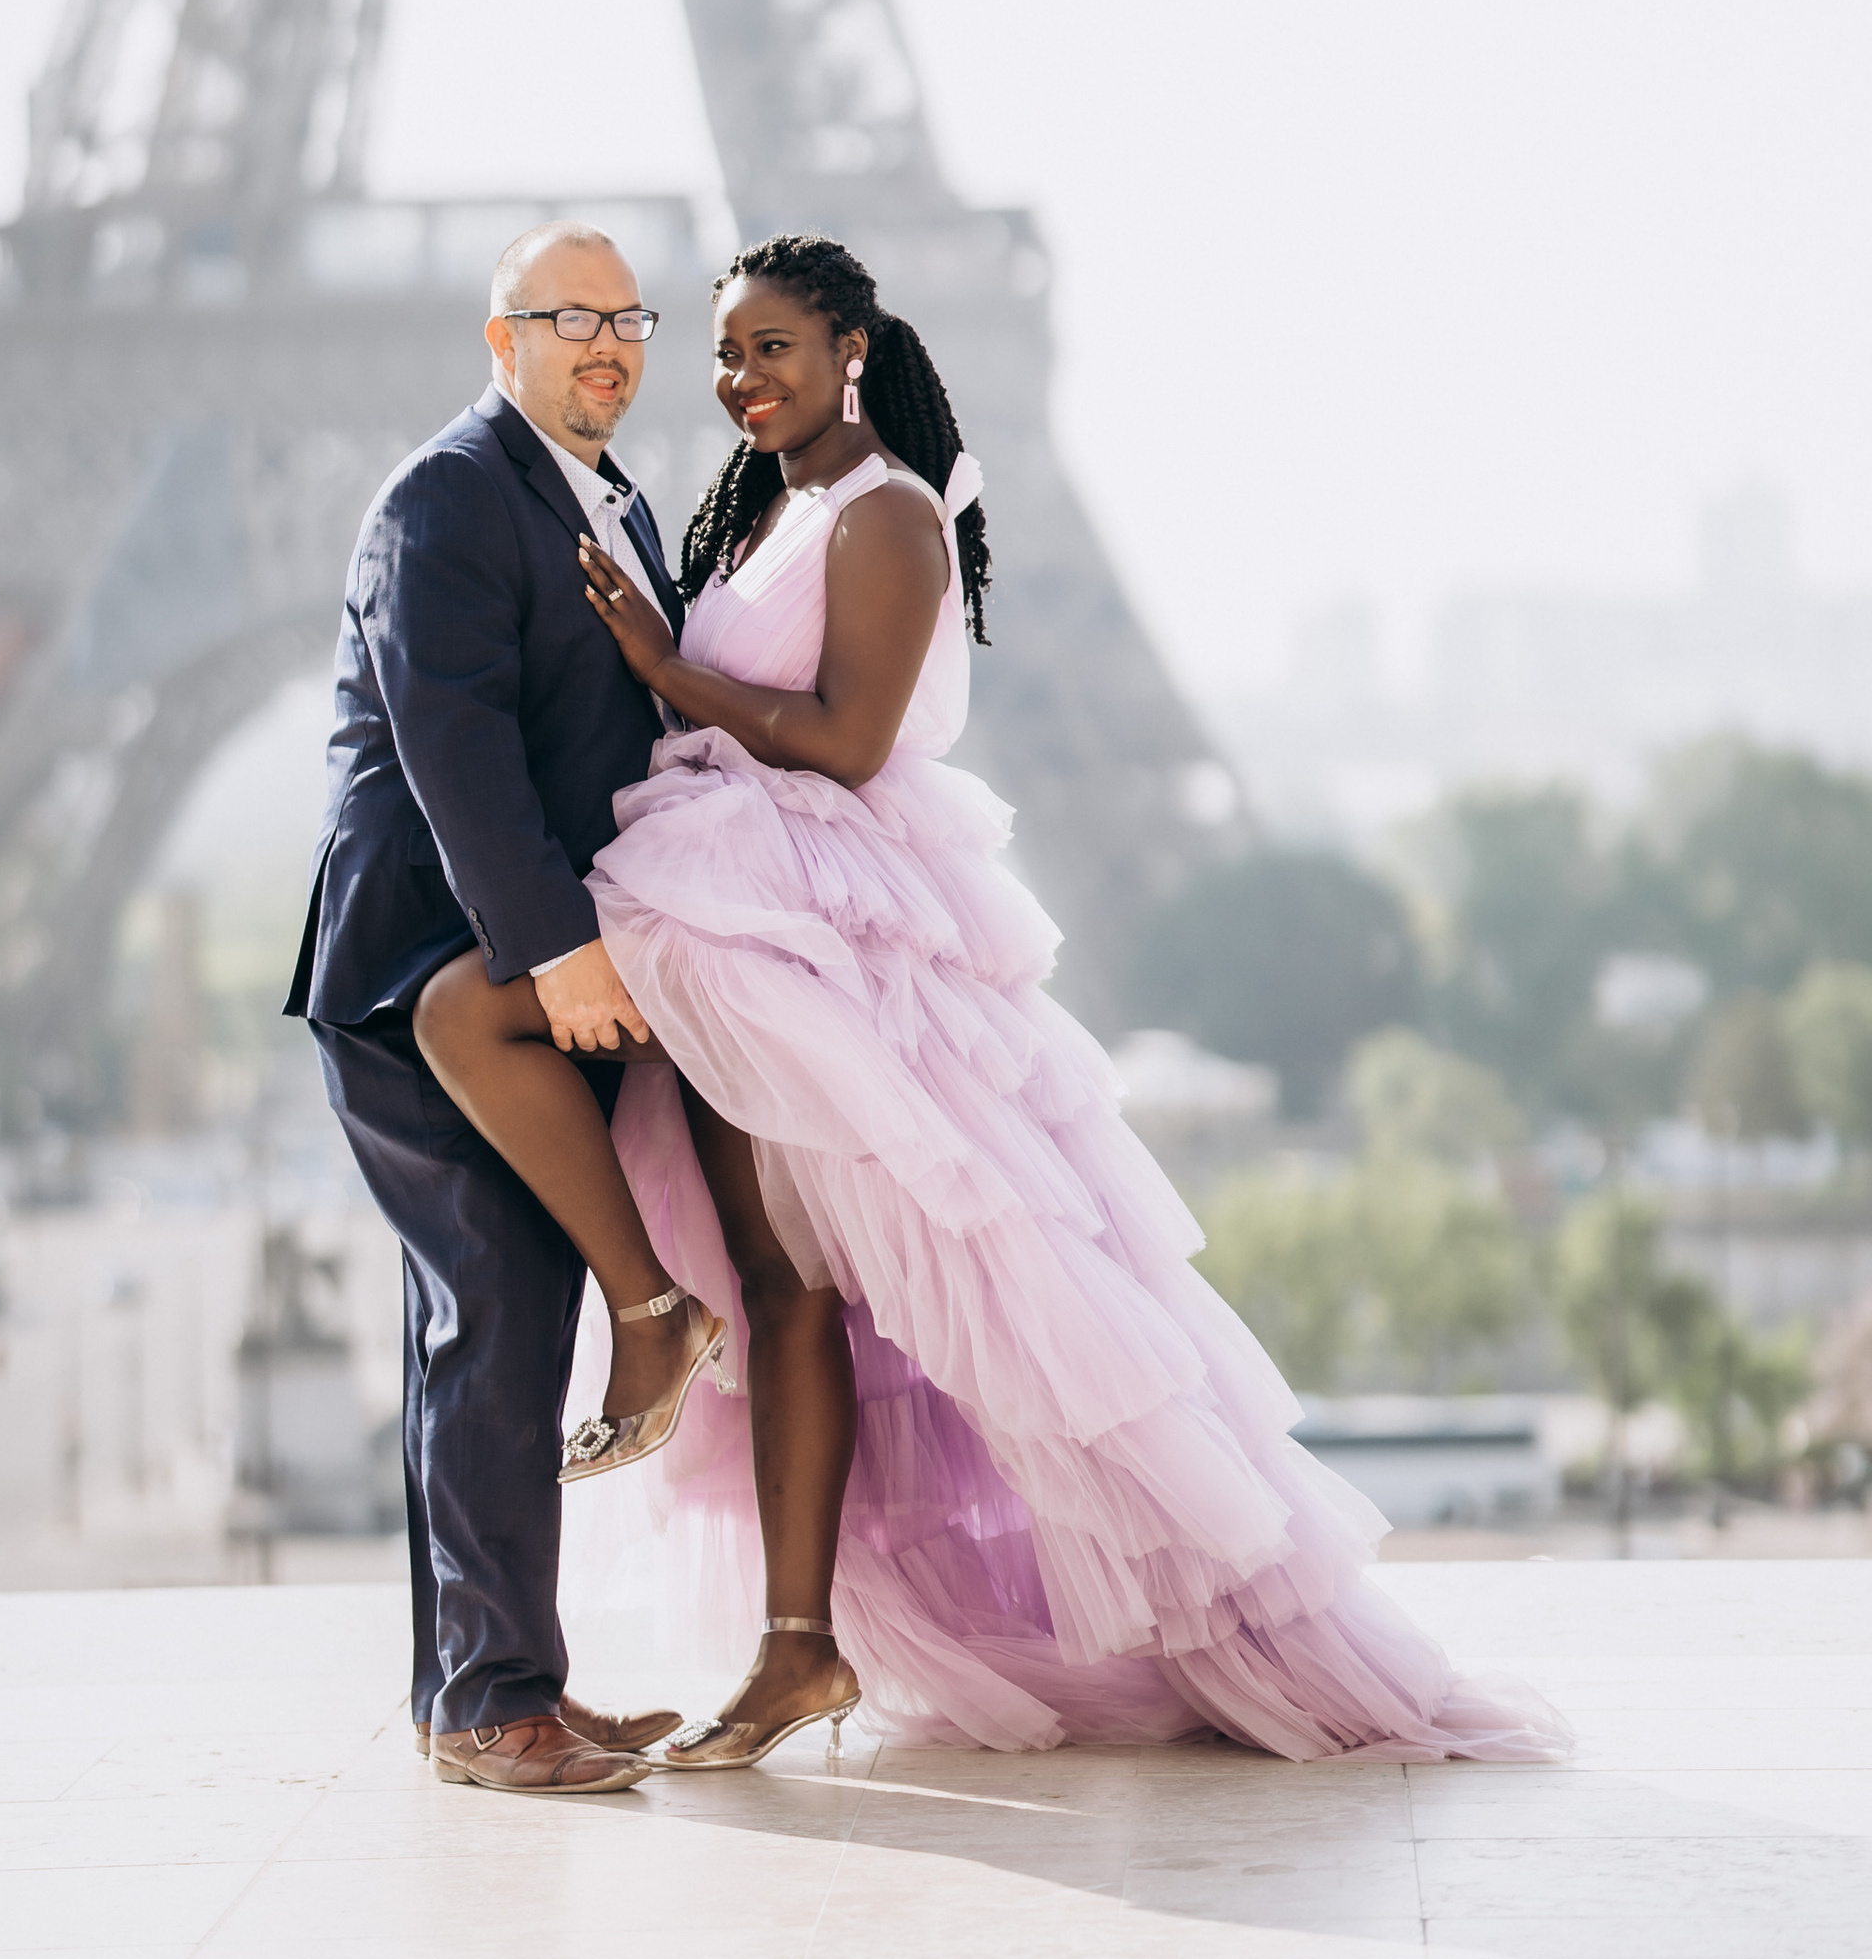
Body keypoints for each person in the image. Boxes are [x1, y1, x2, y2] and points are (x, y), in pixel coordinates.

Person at [413, 233, 1567, 1774]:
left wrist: (660, 664)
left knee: (756, 1238)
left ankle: (687, 1396)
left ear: (854, 352)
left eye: (772, 349)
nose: (739, 378)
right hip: (735, 892)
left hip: (808, 905)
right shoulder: (790, 504)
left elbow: (845, 736)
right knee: (780, 1274)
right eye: (725, 352)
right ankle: (792, 1627)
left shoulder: (887, 513)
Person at [284, 223, 701, 1796]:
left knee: (498, 1322)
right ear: (500, 336)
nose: (604, 339)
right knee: (495, 1313)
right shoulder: (447, 495)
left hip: (524, 971)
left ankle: (490, 1682)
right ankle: (488, 1702)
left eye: (625, 316)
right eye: (566, 314)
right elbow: (448, 742)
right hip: (427, 970)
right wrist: (559, 948)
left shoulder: (610, 498)